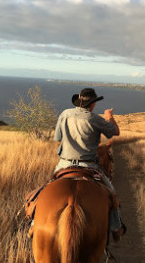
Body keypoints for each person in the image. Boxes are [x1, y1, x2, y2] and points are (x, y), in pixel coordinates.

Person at [53, 88, 125, 241]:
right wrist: (109, 117)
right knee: (111, 194)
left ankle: (33, 223)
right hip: (89, 166)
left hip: (64, 164)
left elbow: (57, 138)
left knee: (47, 189)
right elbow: (116, 132)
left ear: (79, 101)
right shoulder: (95, 119)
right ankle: (116, 227)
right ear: (92, 104)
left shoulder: (64, 114)